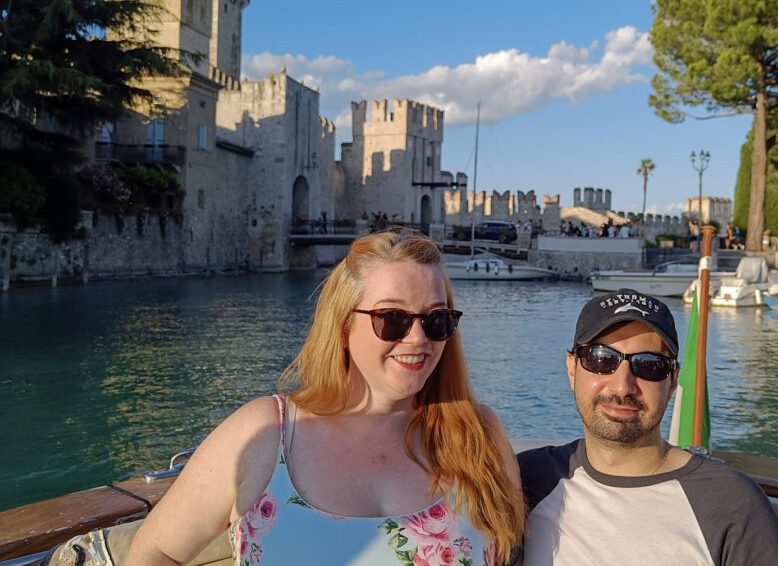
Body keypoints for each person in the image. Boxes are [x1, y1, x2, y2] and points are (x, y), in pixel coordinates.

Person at [127, 229, 524, 566]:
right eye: (393, 319)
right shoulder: (267, 433)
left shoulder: (480, 435)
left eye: (436, 320)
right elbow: (155, 552)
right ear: (344, 326)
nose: (418, 339)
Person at [517, 289, 778, 565]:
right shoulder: (522, 482)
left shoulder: (730, 504)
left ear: (672, 381)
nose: (623, 386)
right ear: (572, 369)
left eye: (649, 365)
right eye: (601, 359)